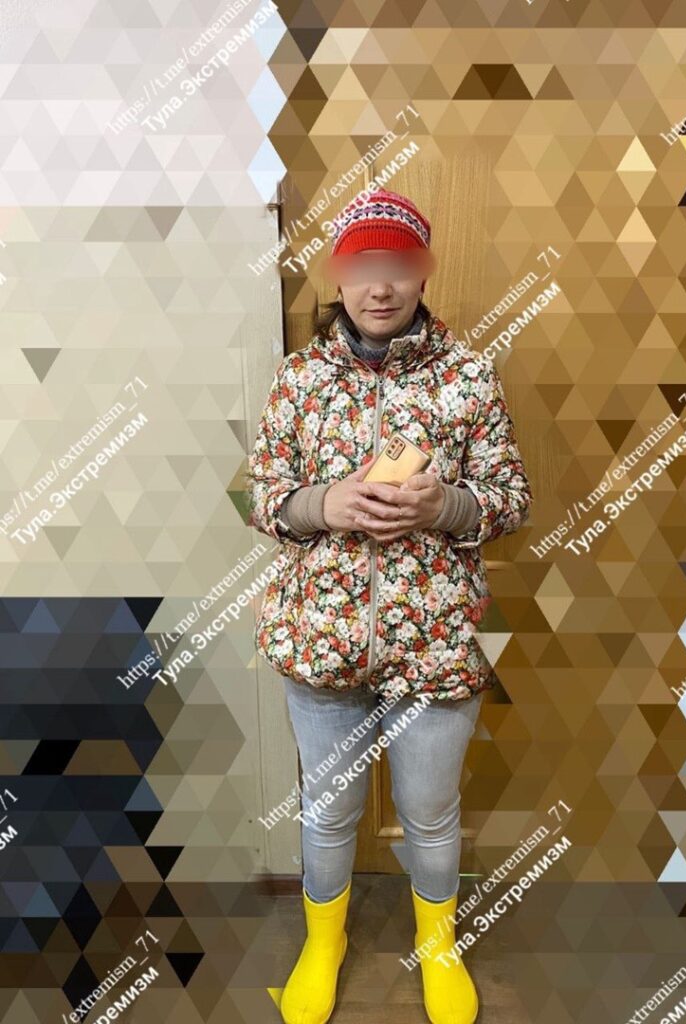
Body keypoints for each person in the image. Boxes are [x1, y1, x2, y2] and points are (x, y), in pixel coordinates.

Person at [246, 188, 533, 1024]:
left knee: (430, 814)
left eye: (399, 265)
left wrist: (447, 506)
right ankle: (323, 943)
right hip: (320, 638)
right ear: (338, 276)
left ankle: (437, 946)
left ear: (422, 273)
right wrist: (322, 504)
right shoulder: (298, 380)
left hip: (437, 641)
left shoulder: (468, 377)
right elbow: (255, 496)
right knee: (330, 809)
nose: (381, 286)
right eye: (363, 266)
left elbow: (512, 500)